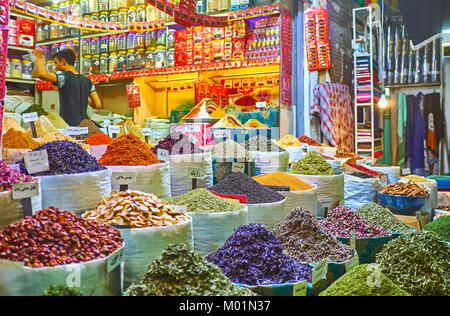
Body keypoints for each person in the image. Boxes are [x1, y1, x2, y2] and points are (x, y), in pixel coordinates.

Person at [33, 47, 102, 126]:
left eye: (56, 63)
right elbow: (98, 105)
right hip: (85, 125)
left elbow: (42, 75)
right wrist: (83, 97)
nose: (55, 67)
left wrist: (39, 56)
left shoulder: (64, 76)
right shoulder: (88, 81)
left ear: (63, 61)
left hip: (69, 126)